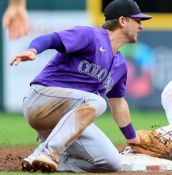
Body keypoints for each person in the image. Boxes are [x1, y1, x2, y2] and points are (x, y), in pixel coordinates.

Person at [9, 0, 151, 173]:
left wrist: (133, 137)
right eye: (138, 20)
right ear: (123, 20)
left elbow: (118, 103)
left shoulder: (120, 65)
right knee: (97, 102)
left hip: (67, 120)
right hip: (42, 100)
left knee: (111, 163)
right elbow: (52, 39)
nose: (141, 26)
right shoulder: (91, 36)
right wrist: (33, 50)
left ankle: (45, 162)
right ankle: (47, 152)